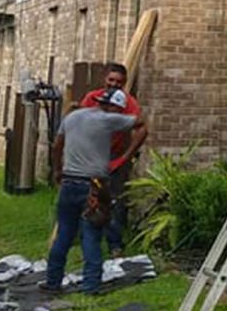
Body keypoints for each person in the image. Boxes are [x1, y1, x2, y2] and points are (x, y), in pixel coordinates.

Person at [41, 87, 147, 294]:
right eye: (119, 109)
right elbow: (143, 123)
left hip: (69, 183)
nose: (119, 115)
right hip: (94, 186)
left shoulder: (71, 118)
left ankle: (52, 281)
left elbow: (57, 147)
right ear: (111, 106)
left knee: (64, 233)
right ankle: (91, 286)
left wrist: (57, 170)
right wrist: (125, 156)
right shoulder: (108, 119)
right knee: (91, 234)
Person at [77, 64, 142, 256]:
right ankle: (89, 243)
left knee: (115, 201)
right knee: (90, 200)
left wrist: (125, 157)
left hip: (115, 157)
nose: (114, 84)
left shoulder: (129, 104)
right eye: (111, 80)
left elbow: (142, 128)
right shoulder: (92, 99)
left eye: (119, 82)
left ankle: (115, 244)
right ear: (105, 79)